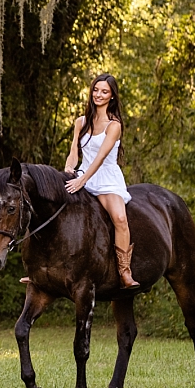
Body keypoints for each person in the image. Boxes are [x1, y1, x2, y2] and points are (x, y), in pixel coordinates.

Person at [60, 73, 138, 288]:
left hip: (105, 178)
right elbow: (74, 152)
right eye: (96, 90)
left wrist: (82, 180)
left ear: (112, 96)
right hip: (82, 173)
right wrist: (70, 168)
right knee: (53, 207)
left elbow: (101, 157)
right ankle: (40, 268)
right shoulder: (80, 122)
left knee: (120, 218)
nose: (99, 95)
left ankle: (124, 270)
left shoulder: (114, 125)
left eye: (105, 91)